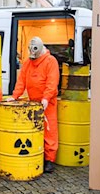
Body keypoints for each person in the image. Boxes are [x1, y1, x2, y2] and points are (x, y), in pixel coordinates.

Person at [6, 36, 60, 173]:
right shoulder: (28, 62)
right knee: (35, 131)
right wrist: (14, 96)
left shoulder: (50, 61)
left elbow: (52, 82)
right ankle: (37, 154)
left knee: (49, 130)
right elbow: (21, 81)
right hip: (33, 103)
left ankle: (49, 160)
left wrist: (46, 98)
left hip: (48, 103)